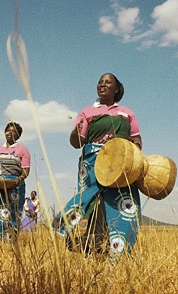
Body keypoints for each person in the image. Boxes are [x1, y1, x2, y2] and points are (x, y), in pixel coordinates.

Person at [53, 73, 142, 259]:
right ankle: (86, 243)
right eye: (100, 82)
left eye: (107, 82)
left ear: (116, 89)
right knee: (91, 201)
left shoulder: (127, 113)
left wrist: (133, 153)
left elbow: (137, 139)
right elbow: (77, 143)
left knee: (122, 204)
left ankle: (119, 252)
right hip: (93, 162)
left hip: (122, 164)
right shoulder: (87, 112)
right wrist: (76, 133)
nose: (102, 84)